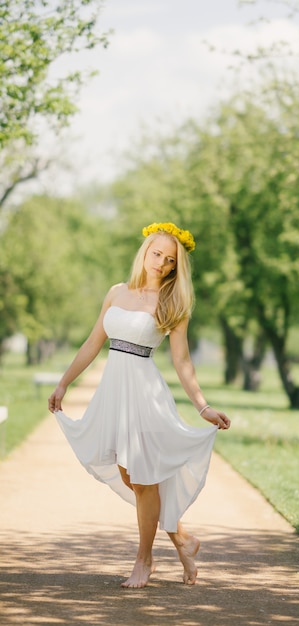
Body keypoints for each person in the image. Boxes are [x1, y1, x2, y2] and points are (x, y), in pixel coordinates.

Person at [48, 221, 231, 589]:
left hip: (145, 396)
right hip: (114, 393)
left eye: (169, 260)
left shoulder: (172, 301)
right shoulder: (117, 292)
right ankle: (183, 540)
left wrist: (202, 407)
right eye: (157, 254)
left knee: (145, 479)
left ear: (176, 267)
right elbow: (92, 343)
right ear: (145, 251)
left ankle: (144, 561)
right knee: (132, 476)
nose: (161, 263)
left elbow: (182, 362)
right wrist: (64, 382)